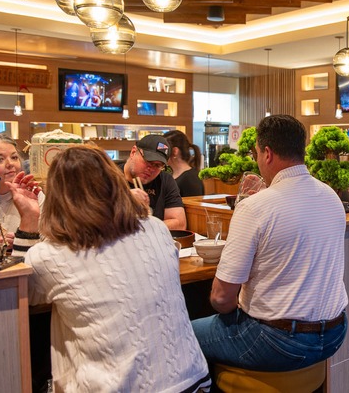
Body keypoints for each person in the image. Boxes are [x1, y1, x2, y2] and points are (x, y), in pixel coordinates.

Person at [22, 145, 210, 392]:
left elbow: (17, 294)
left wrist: (28, 222)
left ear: (57, 197)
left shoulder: (49, 255)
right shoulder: (155, 227)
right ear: (115, 182)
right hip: (194, 381)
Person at [191, 115, 348, 372]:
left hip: (278, 341)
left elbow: (221, 298)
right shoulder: (331, 196)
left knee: (181, 333)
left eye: (255, 154)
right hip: (334, 334)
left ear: (267, 153)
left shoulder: (254, 207)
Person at [0, 133, 43, 256]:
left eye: (14, 157)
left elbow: (53, 244)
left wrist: (24, 240)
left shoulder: (34, 194)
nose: (10, 164)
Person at [121, 134, 186, 230]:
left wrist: (146, 227)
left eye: (158, 165)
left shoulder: (165, 181)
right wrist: (124, 198)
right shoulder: (109, 177)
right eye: (148, 161)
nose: (151, 169)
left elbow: (179, 224)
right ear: (133, 152)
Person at [163, 130, 204, 197]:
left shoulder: (190, 178)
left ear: (175, 151)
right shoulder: (170, 175)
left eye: (164, 150)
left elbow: (192, 203)